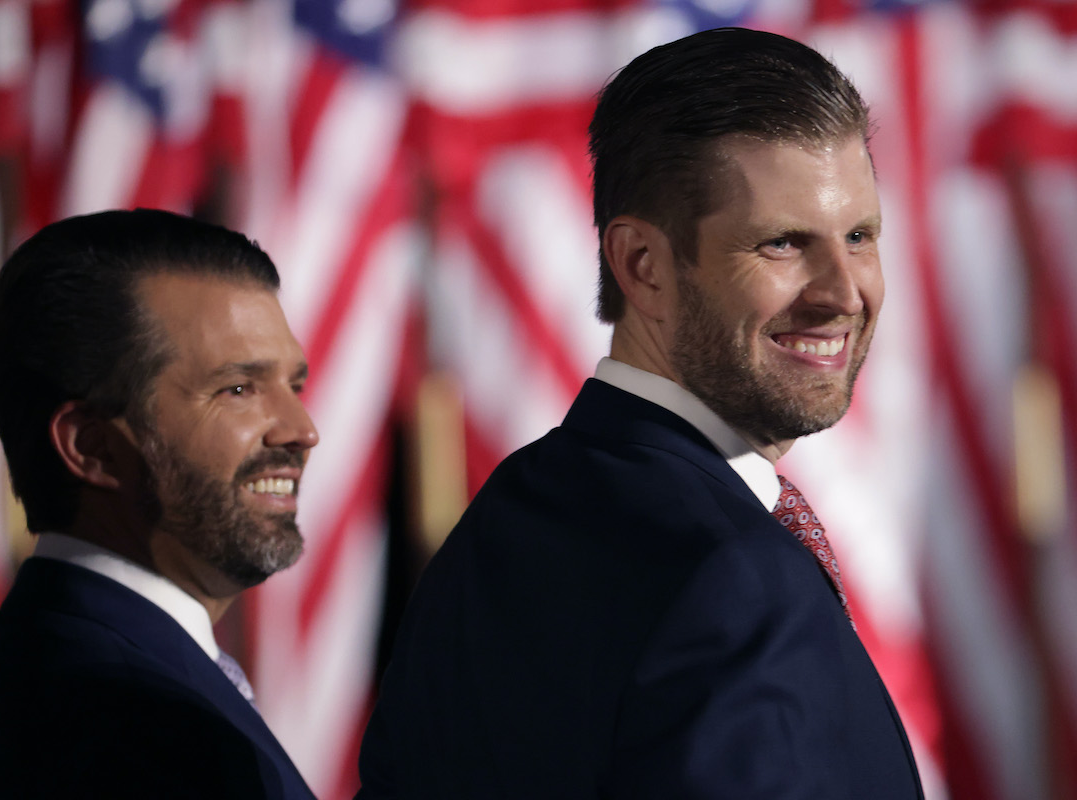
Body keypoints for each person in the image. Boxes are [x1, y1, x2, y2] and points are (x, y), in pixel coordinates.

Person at [356, 27, 923, 799]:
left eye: (859, 236)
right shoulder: (736, 577)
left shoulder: (499, 522)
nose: (843, 291)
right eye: (783, 244)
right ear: (642, 266)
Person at [0, 209, 319, 798]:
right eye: (238, 389)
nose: (302, 430)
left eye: (294, 385)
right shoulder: (142, 732)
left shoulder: (33, 680)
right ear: (91, 447)